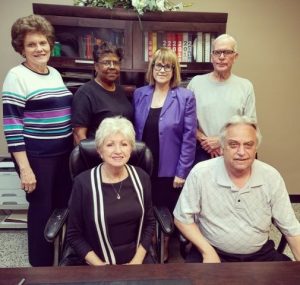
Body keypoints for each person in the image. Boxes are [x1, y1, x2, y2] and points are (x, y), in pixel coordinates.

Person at [174, 115, 300, 263]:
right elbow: (182, 219)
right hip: (213, 251)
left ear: (256, 147)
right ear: (222, 147)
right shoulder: (201, 173)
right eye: (233, 145)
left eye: (248, 145)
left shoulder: (271, 177)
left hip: (261, 255)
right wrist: (207, 251)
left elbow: (291, 229)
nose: (241, 152)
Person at [2, 15, 73, 266]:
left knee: (62, 205)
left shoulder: (53, 73)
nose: (39, 49)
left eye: (43, 43)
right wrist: (25, 169)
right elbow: (12, 126)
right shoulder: (16, 76)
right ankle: (40, 266)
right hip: (37, 156)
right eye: (31, 45)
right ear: (22, 48)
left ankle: (61, 256)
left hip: (63, 152)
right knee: (42, 210)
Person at [133, 47, 197, 261]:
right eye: (158, 65)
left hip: (170, 167)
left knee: (166, 208)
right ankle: (149, 243)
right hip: (143, 165)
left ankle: (166, 244)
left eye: (167, 66)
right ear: (152, 68)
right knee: (146, 206)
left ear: (174, 70)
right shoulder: (140, 94)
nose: (162, 69)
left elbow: (189, 138)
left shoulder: (185, 97)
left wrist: (182, 171)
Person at [66, 116, 156, 265]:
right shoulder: (83, 183)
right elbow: (74, 235)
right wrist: (100, 267)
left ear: (131, 148)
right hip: (96, 262)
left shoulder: (141, 177)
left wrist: (137, 261)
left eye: (124, 144)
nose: (118, 151)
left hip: (137, 260)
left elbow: (149, 223)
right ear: (99, 150)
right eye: (110, 145)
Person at [187, 34, 257, 163]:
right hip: (202, 150)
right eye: (217, 52)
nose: (221, 57)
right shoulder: (196, 83)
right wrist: (205, 141)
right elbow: (186, 119)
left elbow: (250, 125)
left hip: (234, 151)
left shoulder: (245, 86)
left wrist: (221, 140)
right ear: (211, 56)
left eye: (227, 52)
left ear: (235, 57)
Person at [71, 41, 133, 144]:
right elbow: (79, 135)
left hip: (120, 154)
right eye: (106, 62)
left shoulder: (120, 90)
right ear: (96, 66)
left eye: (116, 62)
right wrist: (88, 158)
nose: (112, 66)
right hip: (97, 156)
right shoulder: (85, 93)